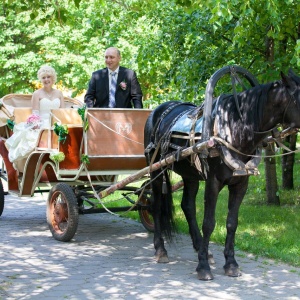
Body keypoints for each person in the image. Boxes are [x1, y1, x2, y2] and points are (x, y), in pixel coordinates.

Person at [5, 65, 65, 169]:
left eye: (48, 77)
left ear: (53, 78)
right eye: (43, 77)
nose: (46, 79)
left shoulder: (59, 93)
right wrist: (36, 124)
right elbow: (35, 113)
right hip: (42, 122)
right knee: (33, 139)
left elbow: (64, 112)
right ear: (41, 79)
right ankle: (35, 166)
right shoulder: (37, 94)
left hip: (56, 122)